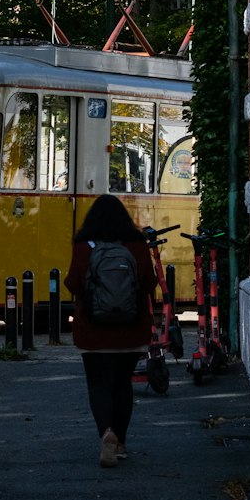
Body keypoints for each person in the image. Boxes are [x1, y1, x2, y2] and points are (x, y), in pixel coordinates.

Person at [64, 194, 156, 468]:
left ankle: (107, 433)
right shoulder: (137, 244)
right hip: (130, 328)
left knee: (99, 384)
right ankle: (122, 443)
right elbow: (149, 283)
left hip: (93, 330)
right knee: (122, 384)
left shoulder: (84, 245)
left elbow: (73, 283)